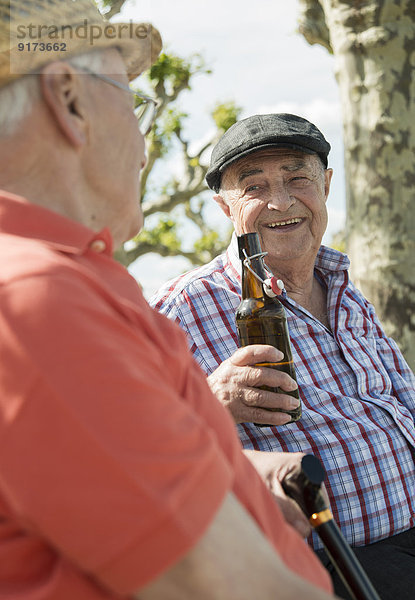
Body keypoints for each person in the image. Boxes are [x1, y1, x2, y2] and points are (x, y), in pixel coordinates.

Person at [0, 2, 337, 599]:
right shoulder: (36, 300)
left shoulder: (61, 281)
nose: (144, 144)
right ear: (70, 101)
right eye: (134, 104)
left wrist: (244, 479)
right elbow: (225, 587)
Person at [151, 112, 415, 599]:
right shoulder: (180, 308)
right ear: (224, 208)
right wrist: (208, 400)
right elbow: (128, 444)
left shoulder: (345, 289)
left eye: (298, 178)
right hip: (317, 573)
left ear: (327, 184)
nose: (281, 201)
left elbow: (403, 408)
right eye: (254, 188)